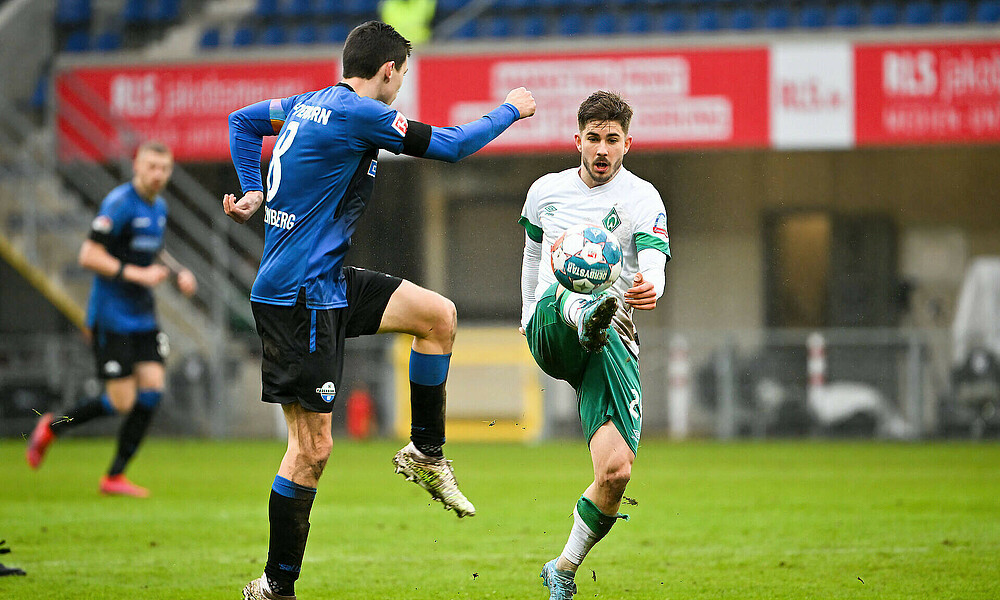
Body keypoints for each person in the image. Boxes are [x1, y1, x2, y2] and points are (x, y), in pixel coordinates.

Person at [223, 20, 535, 600]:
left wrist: (252, 190)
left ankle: (425, 452)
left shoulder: (308, 103)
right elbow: (452, 145)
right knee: (311, 450)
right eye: (403, 75)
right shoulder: (358, 113)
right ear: (388, 70)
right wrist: (510, 110)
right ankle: (273, 586)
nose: (402, 86)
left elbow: (243, 121)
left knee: (437, 317)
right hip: (298, 297)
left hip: (327, 283)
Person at [518, 91, 669, 600]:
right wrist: (525, 313)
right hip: (551, 324)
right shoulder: (545, 192)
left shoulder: (643, 197)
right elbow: (534, 258)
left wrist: (652, 285)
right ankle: (583, 312)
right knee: (568, 285)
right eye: (593, 138)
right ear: (576, 139)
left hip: (612, 337)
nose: (602, 149)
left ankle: (562, 567)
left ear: (628, 143)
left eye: (612, 140)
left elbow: (653, 260)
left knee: (615, 471)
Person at [25, 141, 198, 498]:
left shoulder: (159, 206)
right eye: (151, 167)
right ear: (136, 165)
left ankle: (114, 476)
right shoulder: (119, 203)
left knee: (152, 390)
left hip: (143, 317)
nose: (158, 175)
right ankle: (53, 426)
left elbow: (153, 248)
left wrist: (178, 272)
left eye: (164, 169)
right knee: (120, 402)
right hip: (111, 317)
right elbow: (88, 255)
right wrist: (138, 274)